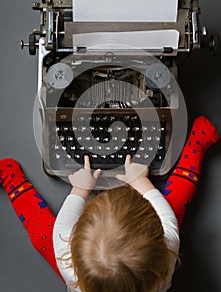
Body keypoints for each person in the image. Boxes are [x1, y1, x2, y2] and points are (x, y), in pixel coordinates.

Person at [0, 116, 219, 291]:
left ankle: (12, 179)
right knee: (175, 204)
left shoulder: (70, 268)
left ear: (74, 249)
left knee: (43, 234)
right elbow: (167, 215)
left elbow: (61, 227)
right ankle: (196, 146)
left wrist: (80, 189)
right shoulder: (167, 252)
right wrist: (141, 182)